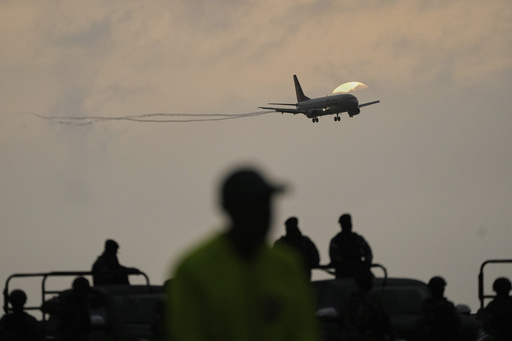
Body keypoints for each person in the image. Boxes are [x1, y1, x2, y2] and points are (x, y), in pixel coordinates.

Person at [167, 166, 319, 341]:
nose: (263, 215)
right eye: (251, 207)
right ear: (228, 209)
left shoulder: (288, 266)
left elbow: (304, 333)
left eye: (266, 205)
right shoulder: (194, 272)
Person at [42, 277, 109, 341]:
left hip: (85, 335)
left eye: (83, 290)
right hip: (66, 335)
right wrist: (62, 311)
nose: (81, 294)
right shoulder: (65, 298)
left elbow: (106, 299)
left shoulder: (90, 300)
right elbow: (45, 307)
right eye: (79, 290)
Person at [348, 269, 393, 341]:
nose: (371, 283)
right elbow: (360, 321)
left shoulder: (372, 298)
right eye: (368, 281)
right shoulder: (357, 300)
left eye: (370, 280)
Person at [328, 214, 373, 278]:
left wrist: (366, 262)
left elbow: (367, 252)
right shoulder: (337, 240)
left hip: (360, 271)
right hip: (343, 273)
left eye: (348, 222)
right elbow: (334, 256)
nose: (347, 225)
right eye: (344, 223)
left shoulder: (358, 239)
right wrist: (348, 263)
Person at [417, 276, 460, 340]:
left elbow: (456, 323)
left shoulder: (448, 305)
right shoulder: (426, 306)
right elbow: (423, 325)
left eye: (441, 288)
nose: (442, 290)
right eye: (439, 288)